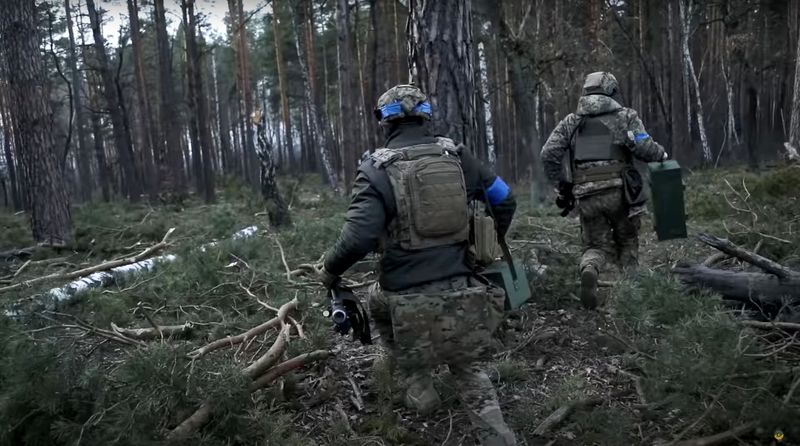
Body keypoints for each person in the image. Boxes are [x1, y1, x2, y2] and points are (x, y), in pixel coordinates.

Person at [318, 84, 518, 445]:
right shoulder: (459, 157)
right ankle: (497, 437)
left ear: (384, 121)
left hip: (403, 295)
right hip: (464, 287)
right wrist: (480, 244)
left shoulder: (375, 169)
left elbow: (359, 238)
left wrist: (330, 271)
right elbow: (505, 199)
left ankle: (417, 381)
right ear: (425, 114)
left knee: (376, 305)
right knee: (469, 369)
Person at [541, 72, 667, 309]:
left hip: (586, 195)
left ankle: (591, 270)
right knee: (627, 241)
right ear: (611, 91)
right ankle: (633, 299)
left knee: (595, 247)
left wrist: (562, 185)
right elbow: (644, 146)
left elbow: (548, 153)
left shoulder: (572, 122)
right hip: (621, 194)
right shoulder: (626, 117)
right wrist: (661, 155)